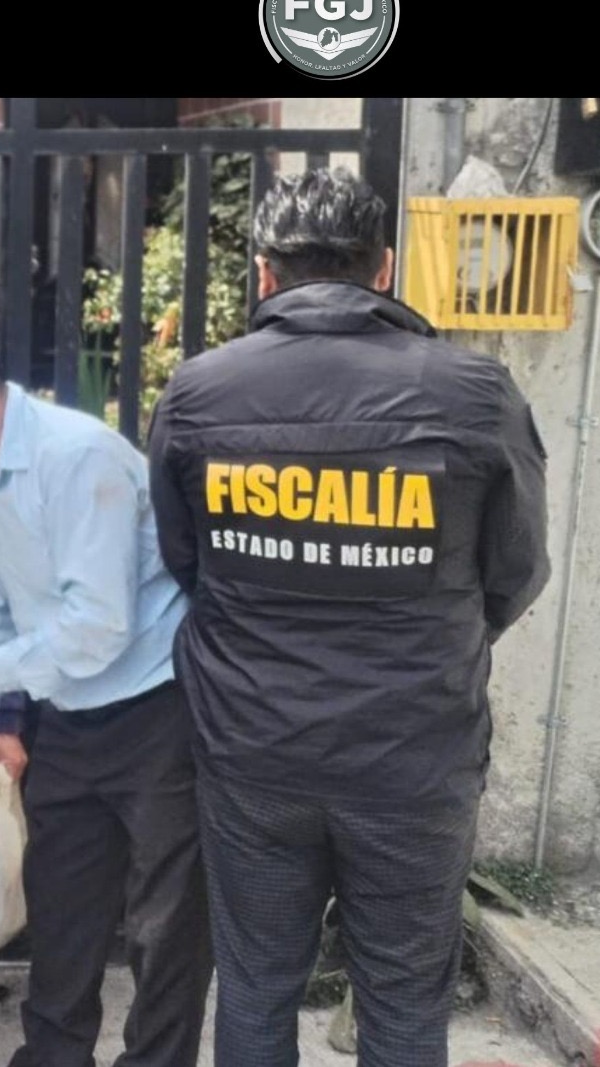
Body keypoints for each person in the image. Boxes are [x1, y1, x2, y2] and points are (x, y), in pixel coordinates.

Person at [147, 168, 551, 1067]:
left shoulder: (200, 392)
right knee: (403, 1006)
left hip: (253, 752)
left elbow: (184, 562)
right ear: (385, 268)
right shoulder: (474, 393)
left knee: (255, 989)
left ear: (264, 273)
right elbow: (516, 573)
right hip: (414, 755)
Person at [0, 326, 212, 1067]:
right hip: (68, 713)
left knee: (165, 923)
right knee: (61, 904)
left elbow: (99, 625)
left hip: (157, 708)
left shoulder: (78, 457)